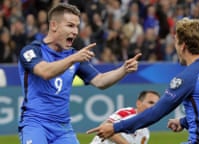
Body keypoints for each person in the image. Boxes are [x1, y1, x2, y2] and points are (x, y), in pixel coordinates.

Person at [87, 17, 199, 144]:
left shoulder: (189, 76)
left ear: (183, 45)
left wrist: (115, 127)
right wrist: (183, 121)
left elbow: (156, 112)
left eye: (176, 42)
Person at [18, 3, 141, 144]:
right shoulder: (32, 51)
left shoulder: (74, 56)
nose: (75, 31)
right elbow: (45, 72)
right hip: (35, 123)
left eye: (77, 26)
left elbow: (100, 81)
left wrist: (123, 70)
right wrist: (73, 59)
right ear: (54, 26)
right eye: (70, 26)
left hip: (62, 127)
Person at [90, 90, 160, 144]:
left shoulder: (145, 134)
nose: (154, 107)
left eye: (156, 104)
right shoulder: (126, 113)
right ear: (138, 103)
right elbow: (103, 127)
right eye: (150, 102)